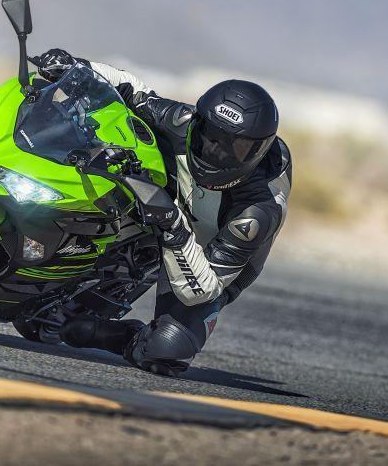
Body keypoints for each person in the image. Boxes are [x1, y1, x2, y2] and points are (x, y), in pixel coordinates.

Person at [35, 49, 291, 376]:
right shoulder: (182, 122)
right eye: (210, 136)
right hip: (168, 205)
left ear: (258, 153)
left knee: (168, 349)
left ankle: (120, 336)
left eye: (234, 148)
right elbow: (133, 90)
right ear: (197, 122)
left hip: (206, 254)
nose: (215, 151)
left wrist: (173, 224)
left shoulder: (257, 212)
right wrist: (75, 66)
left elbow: (204, 289)